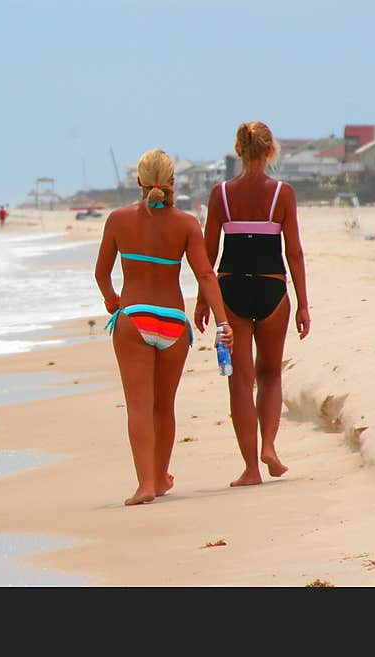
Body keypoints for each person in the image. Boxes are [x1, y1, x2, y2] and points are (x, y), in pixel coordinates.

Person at [95, 149, 234, 506]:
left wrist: (114, 302)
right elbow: (205, 274)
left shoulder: (117, 220)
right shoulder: (186, 224)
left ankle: (145, 485)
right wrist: (222, 322)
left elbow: (101, 274)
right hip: (173, 322)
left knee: (139, 406)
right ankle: (159, 478)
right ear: (173, 182)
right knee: (164, 406)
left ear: (139, 181)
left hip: (135, 316)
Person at [194, 121, 310, 487]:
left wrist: (202, 300)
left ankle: (250, 470)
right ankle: (270, 446)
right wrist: (304, 303)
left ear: (239, 151)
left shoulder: (222, 194)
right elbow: (293, 251)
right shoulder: (282, 194)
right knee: (271, 374)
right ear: (269, 150)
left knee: (240, 383)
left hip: (231, 294)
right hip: (273, 291)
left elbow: (208, 254)